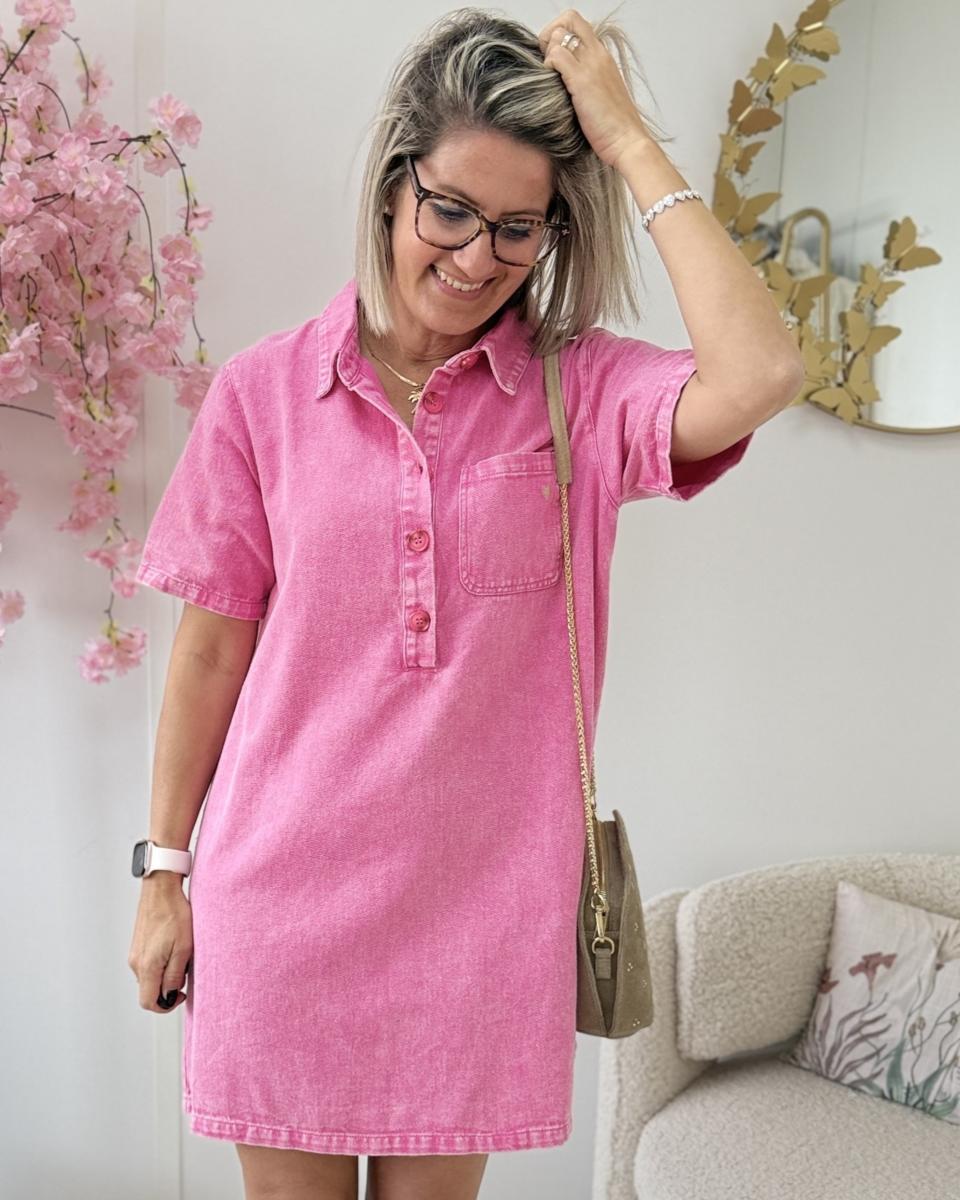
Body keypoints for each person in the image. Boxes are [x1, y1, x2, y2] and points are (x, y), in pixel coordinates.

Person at [127, 8, 804, 1200]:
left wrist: (626, 137)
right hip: (281, 904)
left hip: (480, 927)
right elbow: (208, 657)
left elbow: (761, 372)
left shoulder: (580, 390)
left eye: (517, 228)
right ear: (394, 188)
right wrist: (163, 875)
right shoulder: (263, 395)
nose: (477, 257)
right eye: (449, 210)